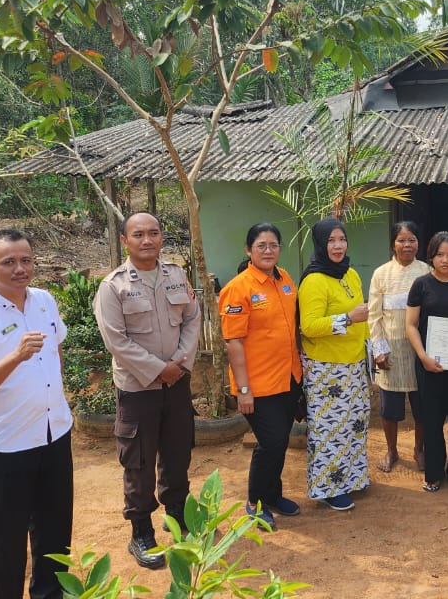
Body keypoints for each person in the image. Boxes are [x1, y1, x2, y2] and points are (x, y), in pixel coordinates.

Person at [0, 228, 73, 599]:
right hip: (6, 448)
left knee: (55, 533)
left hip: (54, 436)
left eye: (26, 260)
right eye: (9, 262)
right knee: (6, 540)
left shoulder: (44, 301)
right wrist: (15, 357)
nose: (20, 269)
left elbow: (57, 352)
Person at [94, 212, 202, 569]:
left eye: (153, 233)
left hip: (177, 384)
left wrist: (180, 365)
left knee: (177, 453)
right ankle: (141, 532)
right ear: (125, 241)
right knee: (138, 461)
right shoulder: (113, 286)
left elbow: (192, 318)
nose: (147, 240)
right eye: (138, 234)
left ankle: (179, 519)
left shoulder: (176, 275)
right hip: (138, 389)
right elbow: (116, 341)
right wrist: (159, 370)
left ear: (161, 238)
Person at [219, 223, 303, 530]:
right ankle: (254, 502)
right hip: (257, 383)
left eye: (273, 245)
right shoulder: (238, 288)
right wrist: (242, 389)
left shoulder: (285, 280)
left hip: (289, 377)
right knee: (270, 442)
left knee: (279, 442)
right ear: (248, 250)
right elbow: (234, 342)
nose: (268, 251)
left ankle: (273, 495)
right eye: (261, 246)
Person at [298, 217, 371, 510]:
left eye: (341, 239)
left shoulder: (350, 274)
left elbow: (364, 318)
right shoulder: (314, 280)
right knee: (330, 431)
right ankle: (328, 487)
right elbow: (309, 326)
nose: (338, 246)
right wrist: (348, 318)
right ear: (320, 244)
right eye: (331, 241)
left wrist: (373, 351)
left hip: (354, 365)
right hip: (327, 370)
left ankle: (352, 479)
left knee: (354, 426)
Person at [405, 231, 448, 493]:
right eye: (440, 255)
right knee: (431, 420)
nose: (445, 260)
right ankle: (433, 473)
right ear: (431, 256)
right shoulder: (421, 285)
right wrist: (423, 357)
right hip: (428, 365)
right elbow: (411, 325)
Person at [369, 221, 430, 473]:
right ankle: (392, 450)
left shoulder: (427, 271)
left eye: (412, 239)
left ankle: (419, 449)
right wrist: (379, 350)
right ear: (393, 243)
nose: (407, 245)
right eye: (402, 240)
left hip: (419, 352)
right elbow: (374, 316)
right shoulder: (381, 274)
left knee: (422, 407)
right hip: (390, 353)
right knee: (389, 409)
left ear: (419, 243)